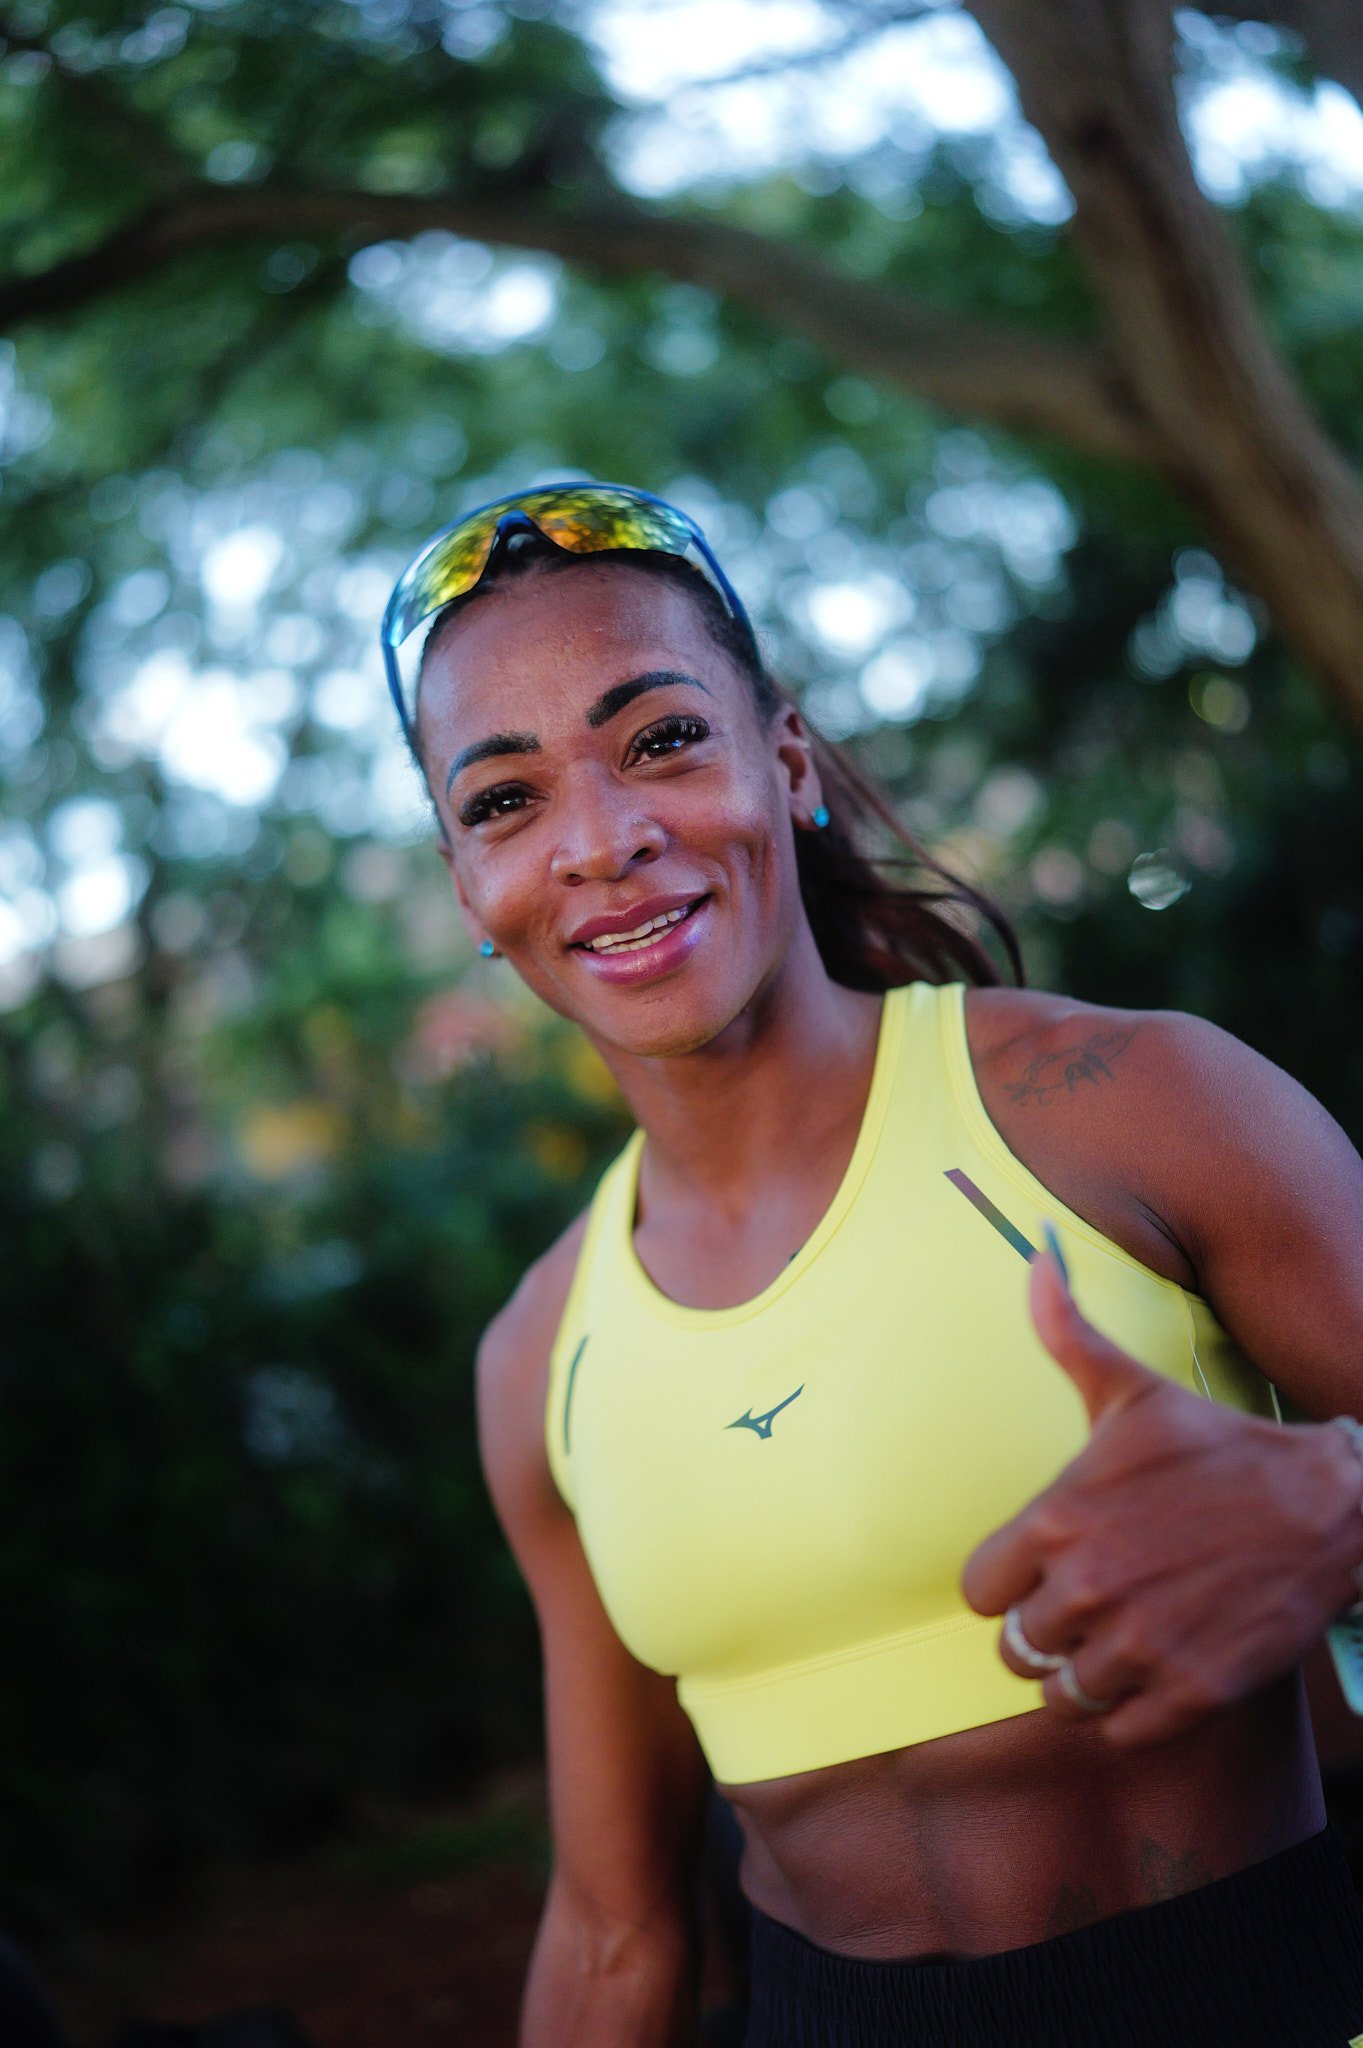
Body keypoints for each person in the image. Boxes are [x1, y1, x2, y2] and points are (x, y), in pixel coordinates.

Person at [381, 483, 1363, 2047]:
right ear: (466, 887)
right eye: (506, 799)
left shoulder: (1141, 1109)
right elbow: (617, 1932)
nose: (604, 841)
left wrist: (1340, 1499)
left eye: (663, 740)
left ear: (786, 764)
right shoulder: (540, 1358)